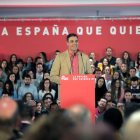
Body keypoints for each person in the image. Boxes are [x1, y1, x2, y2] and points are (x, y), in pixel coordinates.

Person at [50, 33, 92, 100]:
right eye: (72, 41)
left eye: (76, 41)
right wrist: (67, 81)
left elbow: (89, 74)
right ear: (67, 43)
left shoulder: (84, 57)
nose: (75, 43)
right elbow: (52, 76)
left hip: (81, 92)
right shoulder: (60, 57)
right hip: (65, 92)